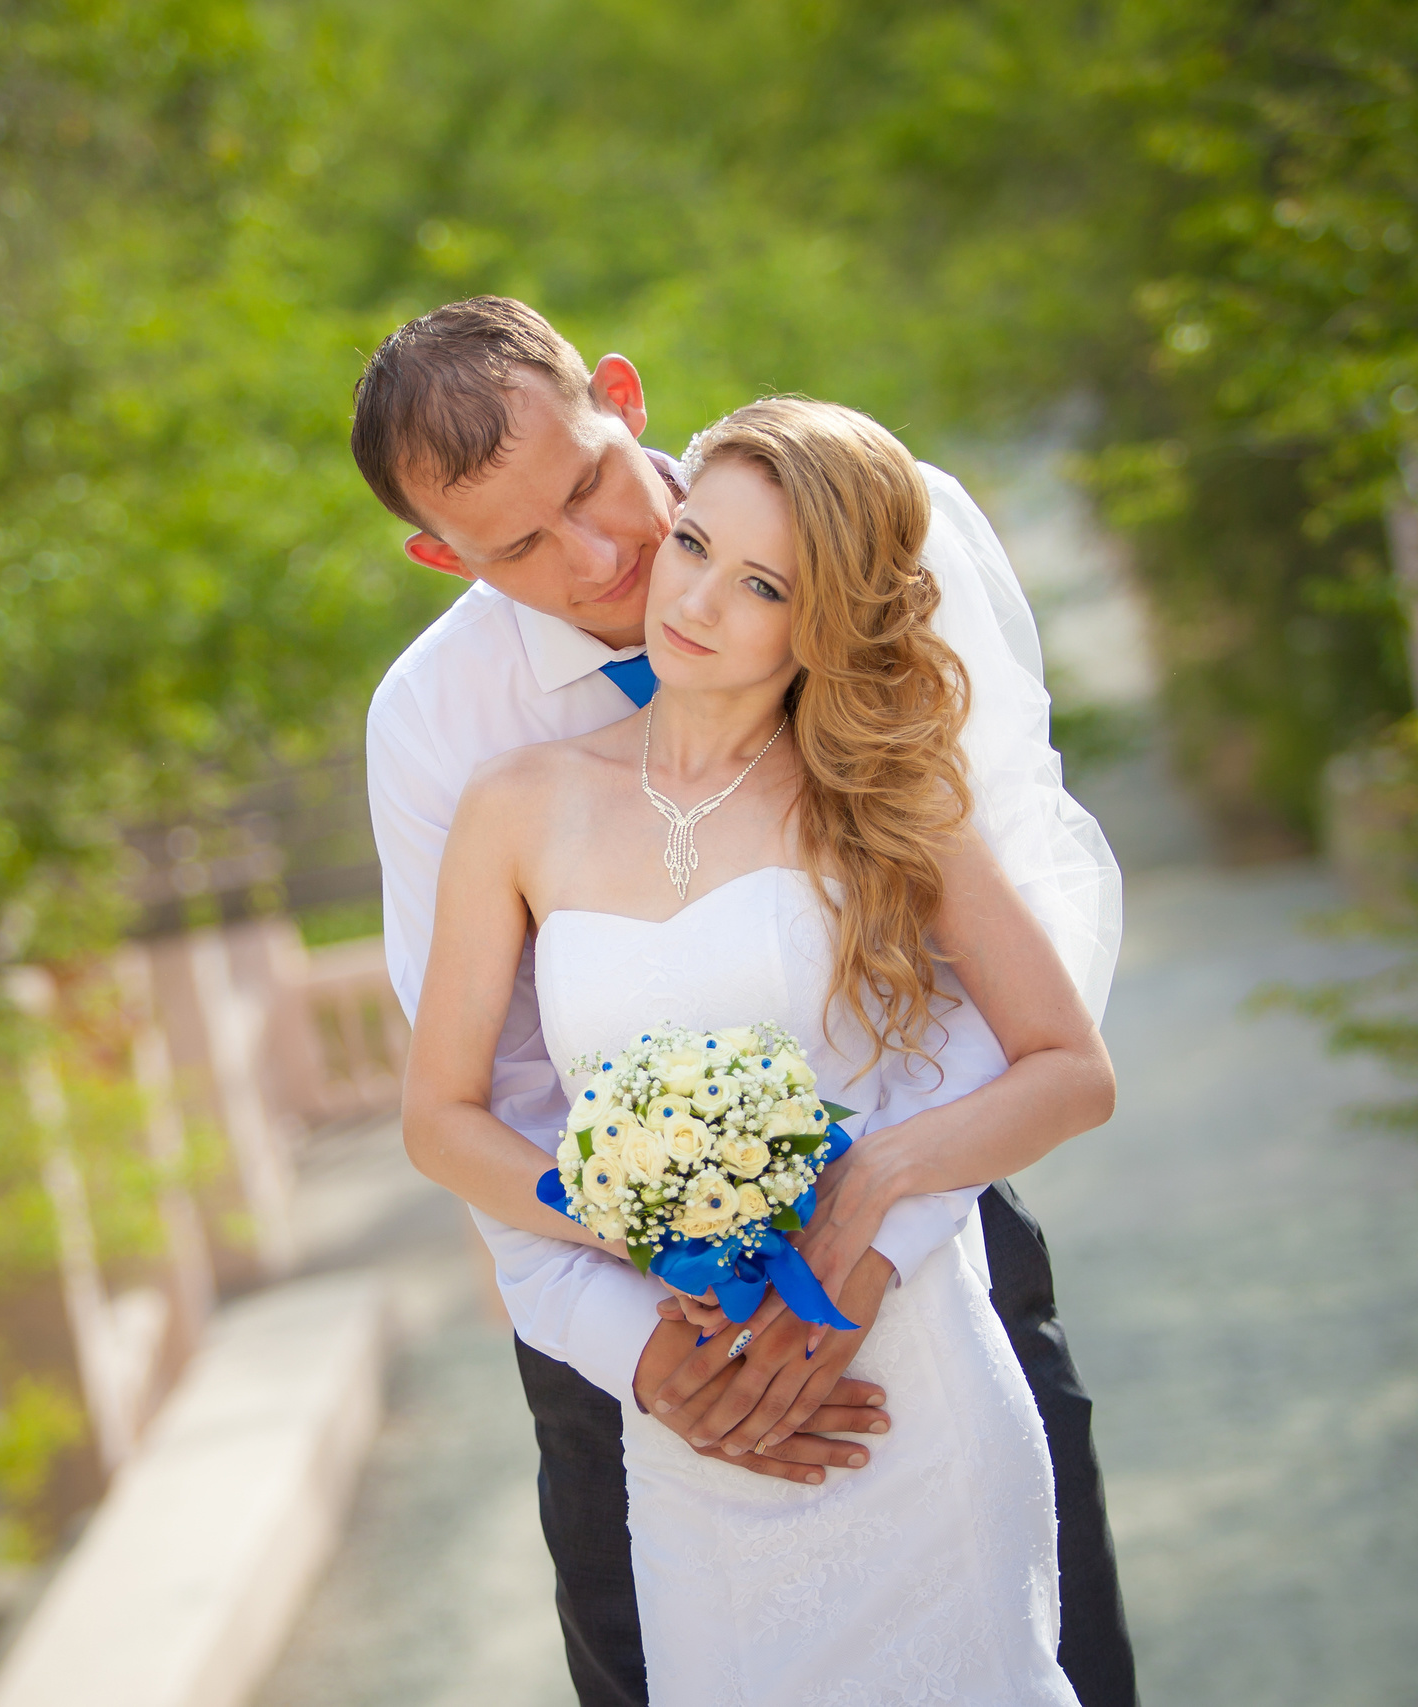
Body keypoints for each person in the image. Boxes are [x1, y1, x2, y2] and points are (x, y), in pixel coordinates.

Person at [357, 299, 1135, 1704]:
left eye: (590, 488)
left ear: (622, 397)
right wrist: (648, 1327)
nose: (600, 562)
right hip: (631, 1332)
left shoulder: (872, 527)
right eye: (517, 549)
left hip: (927, 1253)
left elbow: (1033, 950)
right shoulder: (448, 736)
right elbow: (487, 1099)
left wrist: (872, 1227)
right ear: (442, 557)